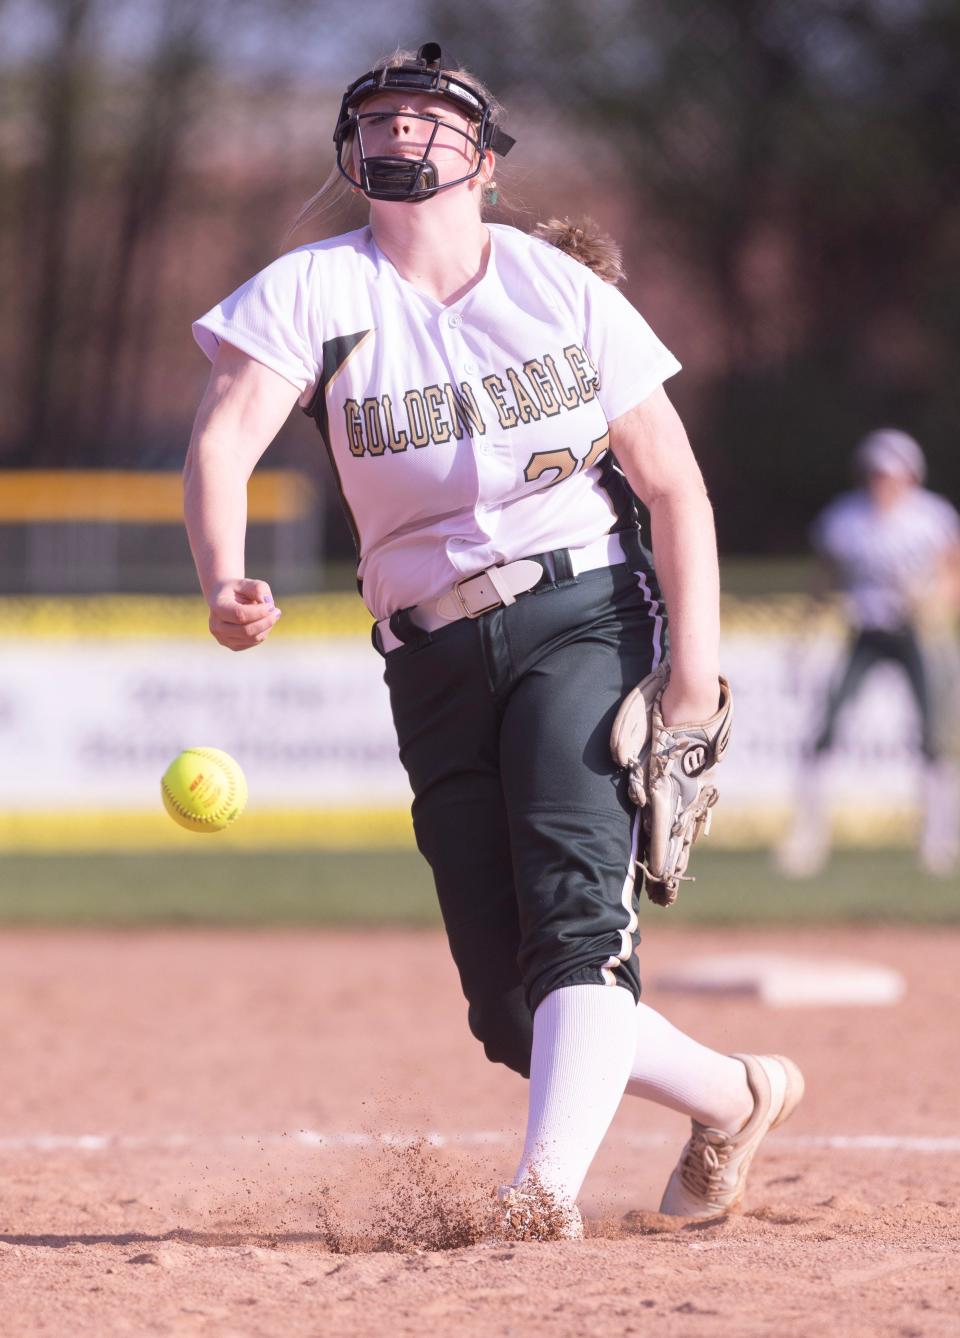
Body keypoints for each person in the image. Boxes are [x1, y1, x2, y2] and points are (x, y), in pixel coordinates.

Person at [184, 43, 803, 1239]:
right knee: (512, 1012)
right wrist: (223, 578)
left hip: (583, 611)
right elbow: (223, 444)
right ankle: (734, 1098)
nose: (402, 132)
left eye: (428, 116)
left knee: (578, 917)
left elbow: (674, 488)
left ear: (485, 159)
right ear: (351, 151)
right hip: (428, 651)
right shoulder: (314, 289)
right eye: (380, 116)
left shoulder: (561, 291)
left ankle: (541, 1198)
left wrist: (694, 672)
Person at [777, 429, 960, 878]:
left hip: (917, 635)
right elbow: (824, 579)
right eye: (878, 475)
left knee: (935, 737)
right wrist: (805, 631)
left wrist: (935, 603)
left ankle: (939, 839)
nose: (884, 484)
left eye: (892, 475)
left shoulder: (932, 517)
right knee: (828, 727)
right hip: (865, 631)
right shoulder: (846, 518)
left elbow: (952, 575)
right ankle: (809, 834)